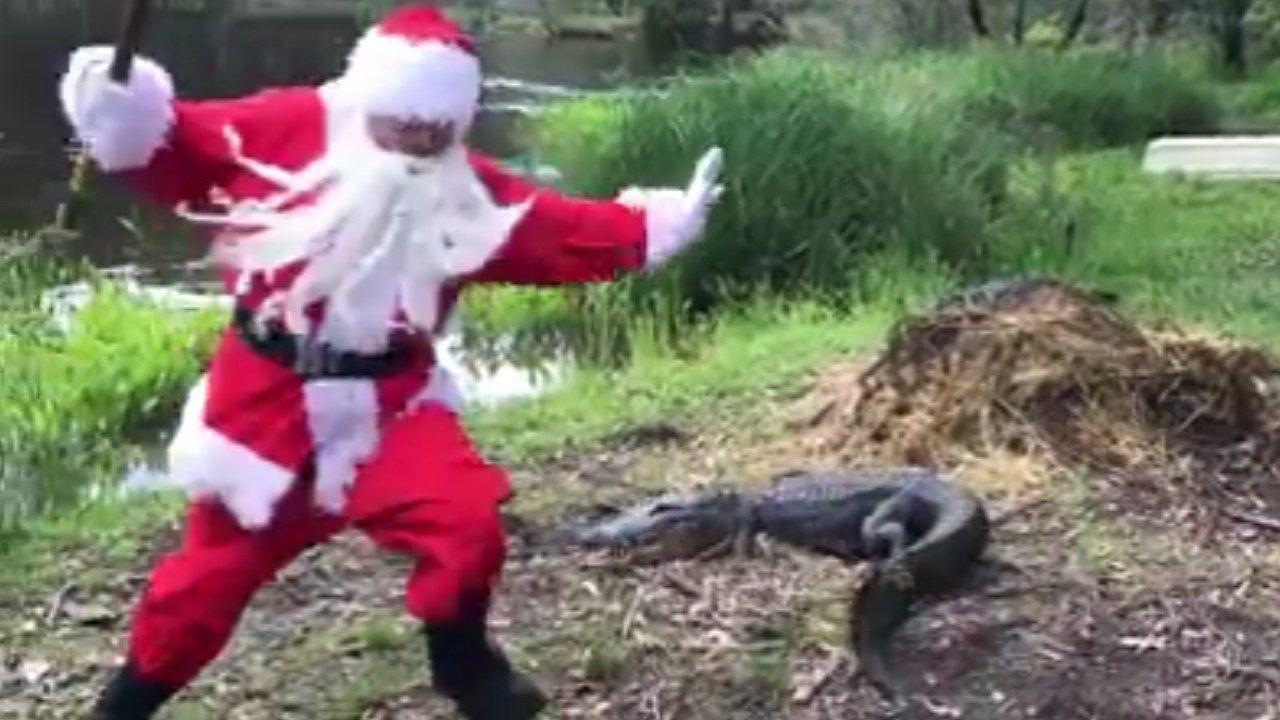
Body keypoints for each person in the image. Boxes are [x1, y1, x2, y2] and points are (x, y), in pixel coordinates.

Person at [58, 4, 723, 719]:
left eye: (438, 129)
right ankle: (120, 710)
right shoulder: (281, 126)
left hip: (389, 408)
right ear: (373, 96)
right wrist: (122, 110)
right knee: (202, 588)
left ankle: (466, 667)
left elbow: (551, 228)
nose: (420, 139)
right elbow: (177, 144)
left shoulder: (464, 189)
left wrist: (654, 226)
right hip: (264, 405)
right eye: (406, 121)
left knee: (465, 523)